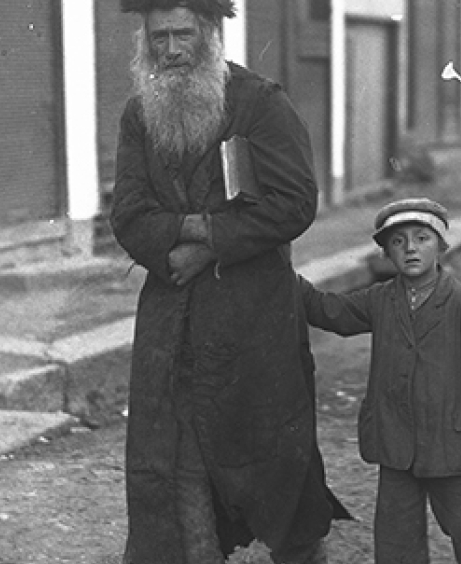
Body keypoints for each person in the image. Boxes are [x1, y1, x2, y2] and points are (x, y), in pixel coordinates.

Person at [109, 1, 350, 562]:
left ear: (212, 32)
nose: (170, 50)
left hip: (254, 324)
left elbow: (295, 203)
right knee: (175, 467)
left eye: (183, 34)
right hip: (172, 329)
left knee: (273, 468)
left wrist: (204, 237)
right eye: (159, 36)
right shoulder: (137, 115)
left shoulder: (261, 103)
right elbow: (127, 214)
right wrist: (180, 253)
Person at [299, 198, 461, 564]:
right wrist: (283, 276)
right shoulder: (380, 300)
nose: (410, 248)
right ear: (385, 253)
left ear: (440, 246)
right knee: (396, 539)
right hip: (396, 445)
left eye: (421, 238)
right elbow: (329, 311)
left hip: (453, 445)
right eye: (398, 242)